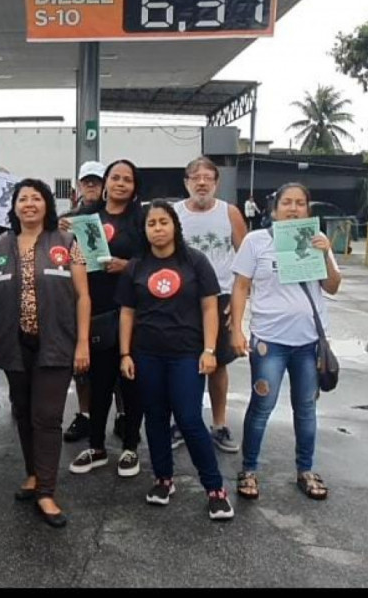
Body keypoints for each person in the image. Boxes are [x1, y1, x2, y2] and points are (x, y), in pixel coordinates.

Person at [0, 179, 90, 528]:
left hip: (57, 341)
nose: (29, 204)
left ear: (46, 204)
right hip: (13, 343)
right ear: (13, 207)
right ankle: (32, 473)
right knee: (23, 412)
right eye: (22, 199)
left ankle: (46, 490)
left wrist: (83, 342)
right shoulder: (0, 245)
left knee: (47, 417)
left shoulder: (68, 242)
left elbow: (83, 296)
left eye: (36, 198)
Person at [117, 200, 234, 520]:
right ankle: (163, 480)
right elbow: (127, 313)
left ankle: (215, 489)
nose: (157, 229)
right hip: (146, 354)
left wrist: (209, 351)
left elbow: (210, 307)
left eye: (163, 222)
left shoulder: (195, 261)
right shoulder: (136, 266)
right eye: (151, 224)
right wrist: (125, 353)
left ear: (174, 226)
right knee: (154, 418)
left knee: (189, 419)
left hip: (187, 354)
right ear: (144, 229)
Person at [231, 182, 342, 503]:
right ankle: (248, 469)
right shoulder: (256, 242)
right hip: (269, 343)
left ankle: (305, 470)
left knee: (306, 409)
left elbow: (332, 287)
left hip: (308, 344)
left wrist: (326, 255)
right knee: (262, 406)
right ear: (274, 208)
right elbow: (241, 287)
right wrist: (236, 329)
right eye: (287, 203)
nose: (293, 208)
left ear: (308, 209)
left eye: (300, 203)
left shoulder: (317, 241)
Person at [68, 160, 147, 479]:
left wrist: (126, 266)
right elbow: (77, 261)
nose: (120, 184)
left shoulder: (142, 220)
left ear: (134, 186)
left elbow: (156, 262)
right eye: (115, 178)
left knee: (131, 384)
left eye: (127, 179)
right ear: (104, 183)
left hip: (134, 312)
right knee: (98, 383)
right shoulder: (87, 220)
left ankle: (130, 447)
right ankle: (97, 446)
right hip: (97, 309)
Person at [173, 157, 248, 454]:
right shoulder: (174, 214)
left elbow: (246, 259)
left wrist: (238, 303)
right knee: (182, 364)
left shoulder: (230, 213)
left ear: (216, 183)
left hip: (220, 298)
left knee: (218, 365)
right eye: (195, 177)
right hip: (182, 299)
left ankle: (219, 425)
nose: (201, 182)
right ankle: (180, 422)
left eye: (208, 177)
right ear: (186, 183)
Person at [59, 160, 107, 444]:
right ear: (78, 185)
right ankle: (85, 414)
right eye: (86, 181)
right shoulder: (66, 219)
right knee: (82, 363)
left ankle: (124, 415)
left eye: (96, 181)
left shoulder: (116, 215)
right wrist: (58, 229)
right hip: (76, 297)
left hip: (110, 295)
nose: (91, 185)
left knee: (114, 364)